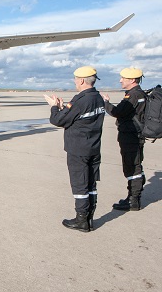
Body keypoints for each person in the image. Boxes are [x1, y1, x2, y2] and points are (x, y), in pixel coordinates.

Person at [47, 66, 105, 232]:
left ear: (81, 80)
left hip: (78, 149)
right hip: (94, 147)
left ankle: (81, 220)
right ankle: (89, 218)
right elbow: (80, 117)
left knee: (80, 185)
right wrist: (65, 108)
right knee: (91, 184)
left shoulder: (80, 100)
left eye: (75, 79)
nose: (74, 82)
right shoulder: (98, 98)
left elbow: (58, 120)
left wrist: (54, 107)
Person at [102, 67, 146, 211]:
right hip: (135, 134)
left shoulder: (133, 96)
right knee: (134, 165)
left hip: (130, 135)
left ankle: (133, 201)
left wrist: (106, 103)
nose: (120, 80)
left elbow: (117, 112)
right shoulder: (138, 93)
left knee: (132, 166)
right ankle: (132, 197)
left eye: (123, 78)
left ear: (132, 80)